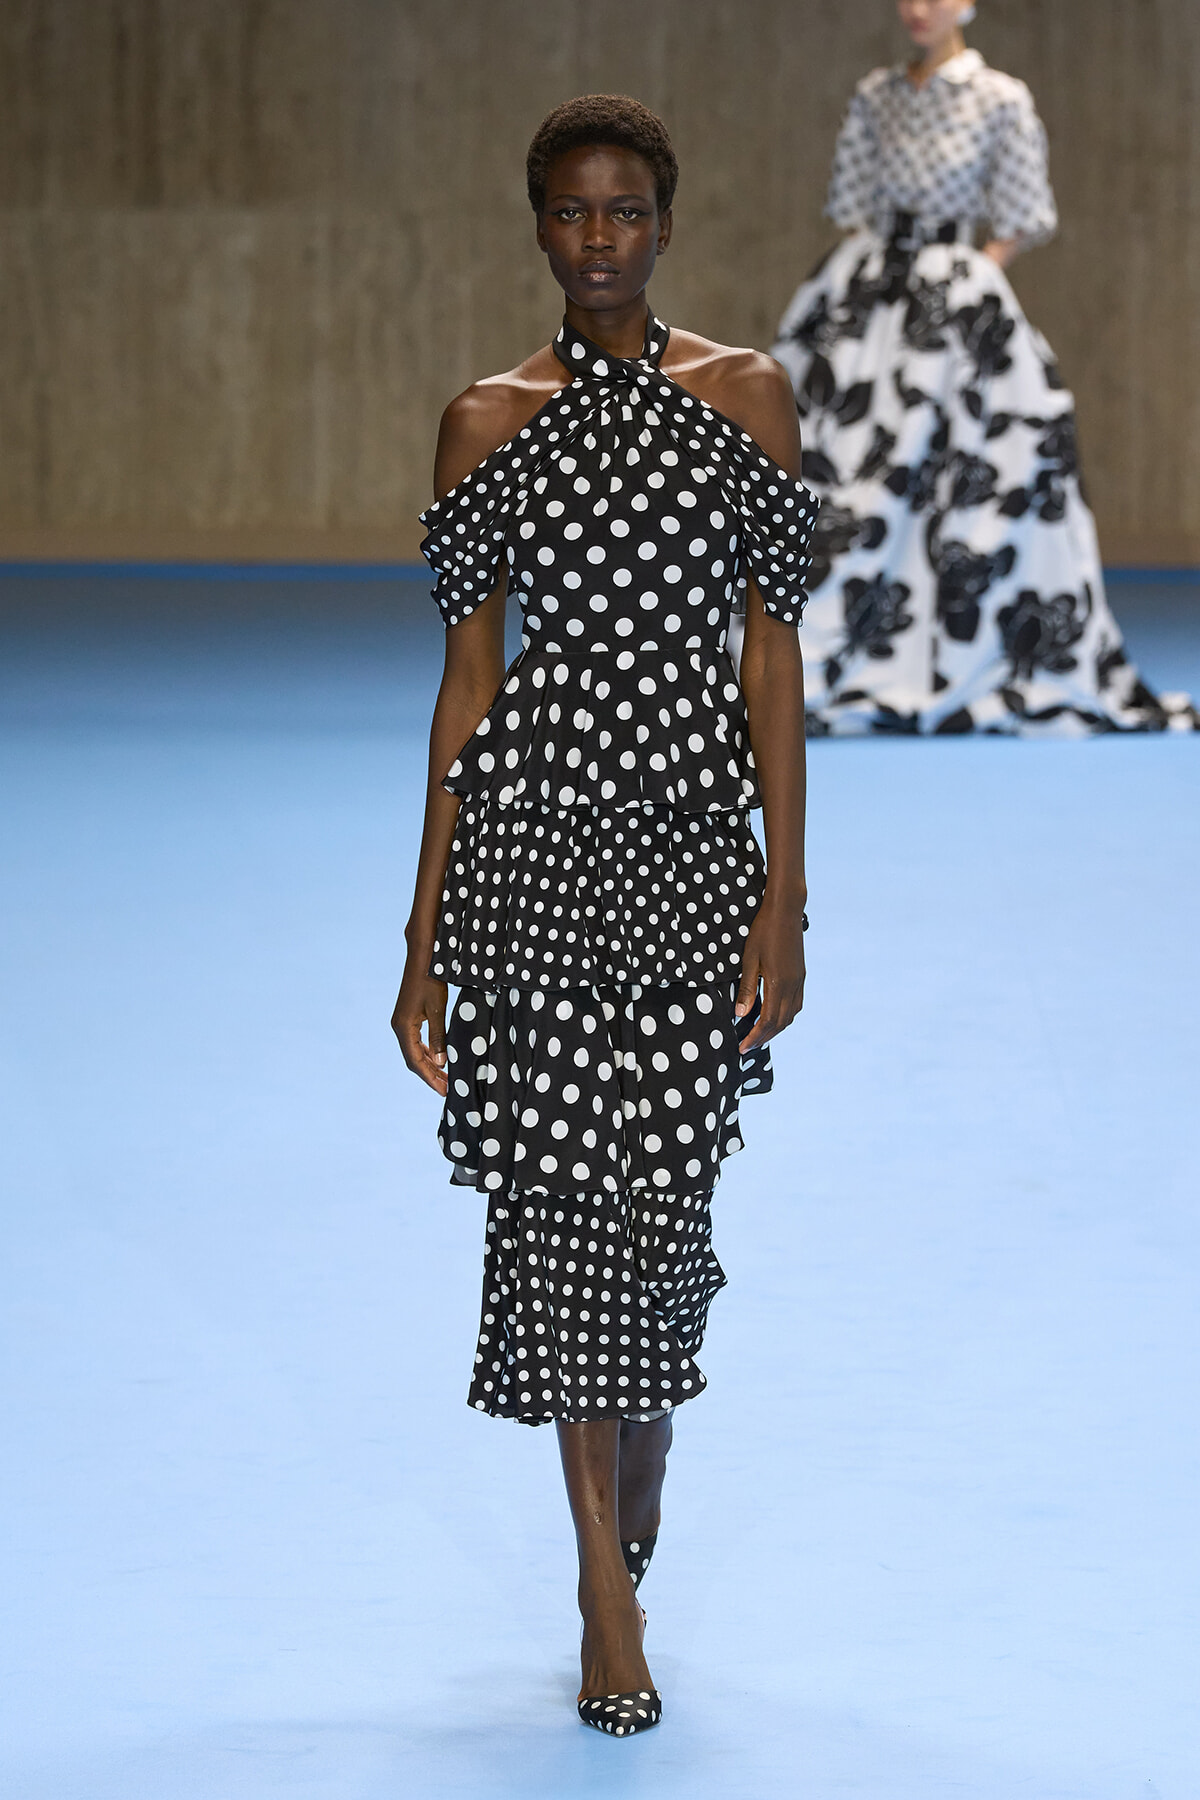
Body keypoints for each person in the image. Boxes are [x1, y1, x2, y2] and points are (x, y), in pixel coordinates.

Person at [391, 94, 818, 1736]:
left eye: (623, 211)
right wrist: (423, 935)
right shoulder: (484, 422)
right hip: (536, 855)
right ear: (538, 228)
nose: (597, 240)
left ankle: (635, 1482)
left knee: (668, 1216)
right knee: (565, 1211)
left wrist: (785, 902)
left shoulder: (748, 401)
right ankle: (602, 1591)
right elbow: (464, 685)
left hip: (697, 851)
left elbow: (770, 658)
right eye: (569, 214)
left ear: (664, 221)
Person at [771, 0, 1195, 735]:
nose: (917, 9)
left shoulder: (1001, 98)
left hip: (960, 299)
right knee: (838, 468)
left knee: (993, 462)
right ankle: (834, 643)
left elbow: (1024, 212)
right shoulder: (875, 95)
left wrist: (969, 275)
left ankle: (957, 642)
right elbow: (851, 201)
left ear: (967, 4)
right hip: (870, 300)